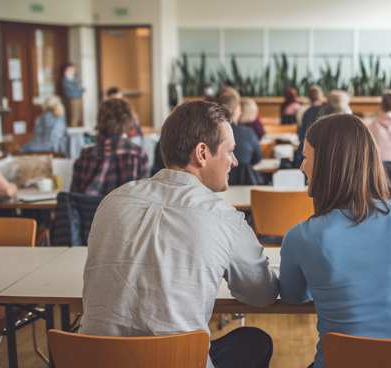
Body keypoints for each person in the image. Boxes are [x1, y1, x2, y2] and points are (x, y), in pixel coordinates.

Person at [80, 100, 278, 368]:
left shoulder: (112, 201)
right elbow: (261, 294)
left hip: (96, 360)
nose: (235, 161)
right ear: (202, 153)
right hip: (175, 361)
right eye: (230, 151)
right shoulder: (223, 217)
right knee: (254, 341)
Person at [280, 113, 391, 368]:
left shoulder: (302, 237)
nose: (301, 166)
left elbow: (292, 296)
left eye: (306, 157)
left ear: (327, 165)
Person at [70, 99, 148, 196]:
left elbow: (73, 197)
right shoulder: (138, 154)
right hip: (123, 210)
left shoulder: (85, 154)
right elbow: (144, 198)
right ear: (128, 120)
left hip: (90, 210)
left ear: (99, 119)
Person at [217, 89, 262, 185]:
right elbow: (258, 158)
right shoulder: (248, 133)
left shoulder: (210, 133)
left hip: (217, 186)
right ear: (237, 109)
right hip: (245, 185)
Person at [61, 63, 84, 127]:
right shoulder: (65, 79)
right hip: (72, 98)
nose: (74, 70)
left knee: (79, 115)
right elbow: (72, 89)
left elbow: (81, 88)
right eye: (72, 69)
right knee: (74, 116)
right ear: (67, 70)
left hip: (78, 97)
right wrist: (79, 89)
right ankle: (73, 127)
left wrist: (79, 89)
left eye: (74, 69)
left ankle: (76, 126)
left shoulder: (74, 78)